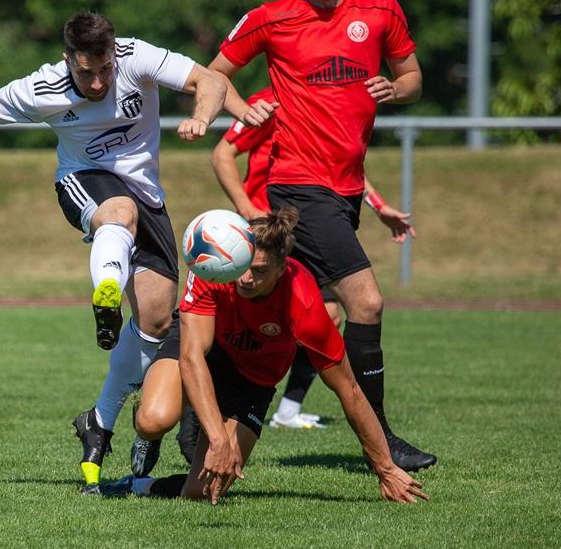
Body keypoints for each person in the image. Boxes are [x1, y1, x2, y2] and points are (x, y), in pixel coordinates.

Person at [0, 10, 227, 493]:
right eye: (85, 71)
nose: (96, 82)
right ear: (67, 59)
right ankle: (106, 288)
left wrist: (200, 116)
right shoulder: (42, 89)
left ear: (115, 53)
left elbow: (209, 79)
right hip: (84, 183)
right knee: (118, 213)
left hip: (149, 196)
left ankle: (98, 419)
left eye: (104, 69)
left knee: (156, 321)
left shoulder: (137, 57)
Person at [207, 0, 436, 471]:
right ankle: (381, 440)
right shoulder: (271, 18)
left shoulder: (380, 11)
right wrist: (244, 108)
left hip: (346, 190)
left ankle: (204, 418)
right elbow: (212, 73)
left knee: (287, 307)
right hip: (299, 188)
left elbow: (413, 77)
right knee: (366, 302)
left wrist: (395, 89)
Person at [108, 208, 429, 506]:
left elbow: (350, 391)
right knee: (153, 420)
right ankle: (154, 431)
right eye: (244, 266)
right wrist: (219, 438)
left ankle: (138, 485)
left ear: (282, 265)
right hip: (205, 348)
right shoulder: (216, 264)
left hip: (252, 379)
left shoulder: (302, 303)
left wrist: (385, 469)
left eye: (260, 271)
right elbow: (193, 357)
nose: (246, 278)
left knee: (203, 492)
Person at [210, 84, 416, 431]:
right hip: (267, 236)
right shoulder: (269, 102)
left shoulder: (320, 107)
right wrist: (248, 210)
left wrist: (379, 206)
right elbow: (222, 155)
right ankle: (226, 395)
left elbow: (341, 170)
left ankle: (286, 409)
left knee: (329, 314)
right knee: (258, 317)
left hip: (306, 229)